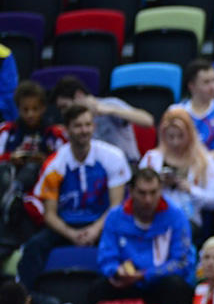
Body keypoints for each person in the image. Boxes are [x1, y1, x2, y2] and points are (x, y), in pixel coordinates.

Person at [18, 105, 130, 286]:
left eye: (88, 125)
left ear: (94, 126)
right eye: (78, 126)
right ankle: (27, 297)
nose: (84, 130)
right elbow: (50, 215)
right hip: (66, 225)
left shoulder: (112, 156)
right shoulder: (54, 165)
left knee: (128, 241)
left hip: (103, 222)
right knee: (33, 247)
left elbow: (116, 206)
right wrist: (72, 234)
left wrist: (95, 229)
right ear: (67, 129)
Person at [90, 168, 194, 304]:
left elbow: (182, 262)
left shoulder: (176, 216)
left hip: (159, 282)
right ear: (131, 191)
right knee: (99, 288)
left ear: (161, 191)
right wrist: (117, 271)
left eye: (153, 192)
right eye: (142, 193)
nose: (148, 200)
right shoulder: (115, 217)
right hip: (126, 284)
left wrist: (145, 275)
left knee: (177, 287)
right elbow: (106, 257)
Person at [0, 81, 67, 251]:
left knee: (32, 170)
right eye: (25, 109)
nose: (30, 114)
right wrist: (11, 157)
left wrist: (44, 160)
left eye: (35, 109)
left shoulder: (54, 134)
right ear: (18, 109)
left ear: (43, 108)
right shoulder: (7, 132)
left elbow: (66, 160)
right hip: (9, 178)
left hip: (42, 185)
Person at [139, 109, 214, 233]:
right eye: (171, 137)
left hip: (188, 220)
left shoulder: (205, 160)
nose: (175, 142)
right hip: (154, 218)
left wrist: (191, 190)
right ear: (163, 135)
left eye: (180, 136)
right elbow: (137, 192)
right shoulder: (151, 158)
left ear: (190, 134)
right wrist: (157, 185)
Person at [51, 76, 152, 166]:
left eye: (65, 107)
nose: (63, 113)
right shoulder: (71, 125)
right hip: (96, 170)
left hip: (128, 165)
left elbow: (148, 121)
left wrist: (112, 110)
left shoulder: (109, 104)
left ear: (79, 95)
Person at [172, 60, 214, 180]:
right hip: (181, 163)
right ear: (192, 86)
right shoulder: (176, 111)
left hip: (212, 163)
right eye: (206, 82)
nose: (213, 87)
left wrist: (200, 161)